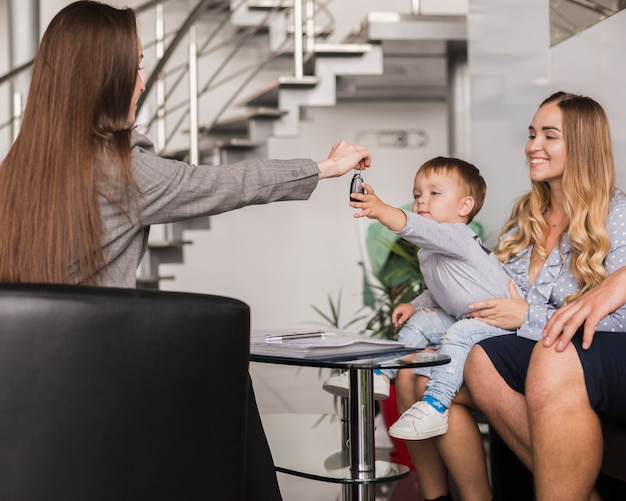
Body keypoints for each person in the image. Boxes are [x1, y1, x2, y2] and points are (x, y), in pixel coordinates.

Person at [0, 2, 371, 500]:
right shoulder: (121, 170)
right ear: (105, 79)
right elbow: (222, 183)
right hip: (100, 381)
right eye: (134, 65)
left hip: (27, 381)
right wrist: (324, 167)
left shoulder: (17, 167)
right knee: (227, 375)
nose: (144, 77)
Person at [394, 91, 626, 501]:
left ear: (582, 145)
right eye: (532, 134)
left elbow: (618, 321)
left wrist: (528, 316)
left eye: (549, 136)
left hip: (580, 352)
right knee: (421, 371)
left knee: (479, 364)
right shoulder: (525, 217)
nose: (533, 146)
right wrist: (429, 304)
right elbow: (488, 288)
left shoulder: (616, 215)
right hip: (520, 347)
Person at [324, 156, 521, 440]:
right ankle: (381, 374)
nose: (421, 201)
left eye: (434, 193)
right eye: (417, 195)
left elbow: (417, 227)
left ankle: (436, 404)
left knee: (459, 332)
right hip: (467, 314)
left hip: (498, 323)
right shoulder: (434, 249)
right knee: (423, 321)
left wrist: (381, 210)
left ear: (465, 206)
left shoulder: (457, 236)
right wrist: (414, 305)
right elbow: (443, 290)